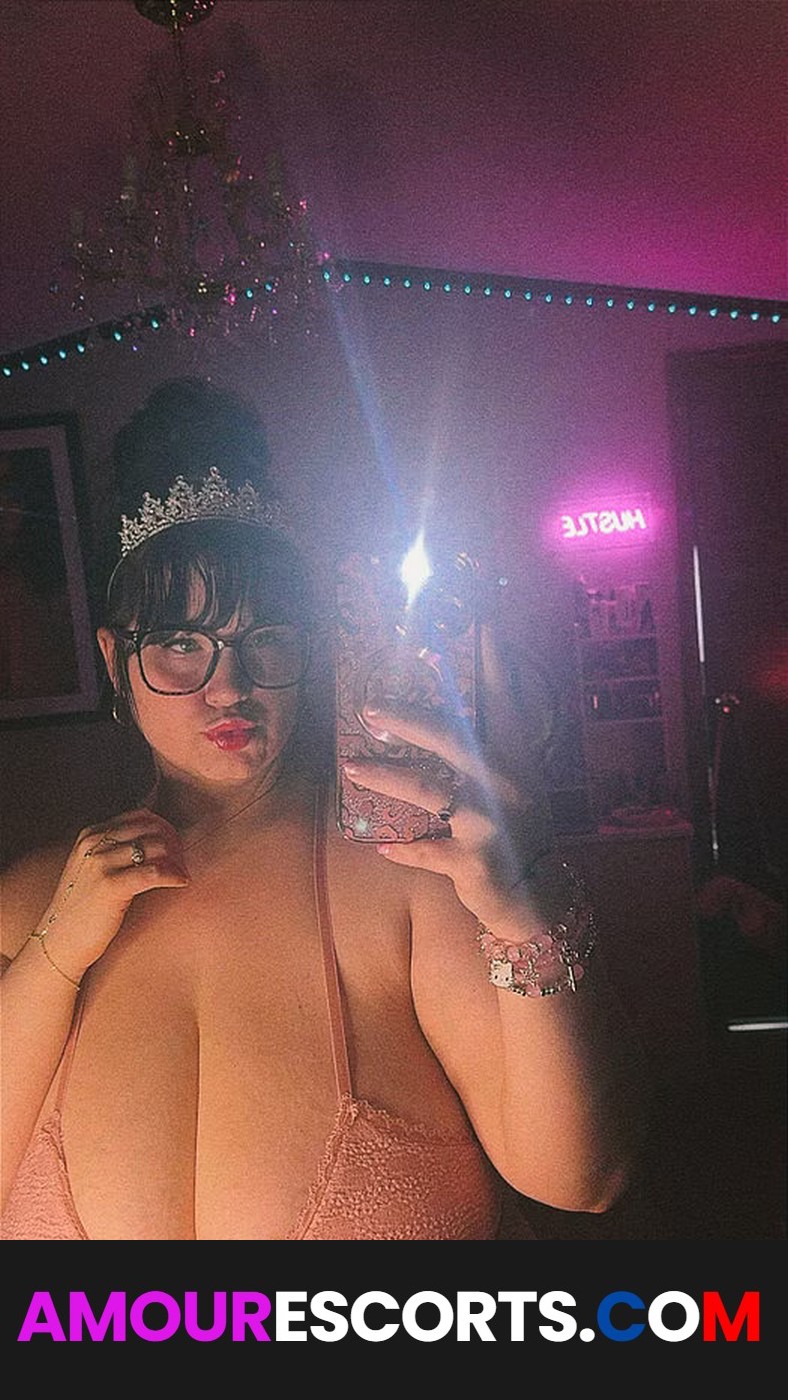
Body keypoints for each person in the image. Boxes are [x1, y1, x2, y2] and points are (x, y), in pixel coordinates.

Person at [0, 378, 649, 1241]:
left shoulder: (410, 875)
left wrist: (529, 906)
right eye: (182, 642)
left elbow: (581, 1181)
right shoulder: (32, 903)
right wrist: (50, 960)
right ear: (116, 658)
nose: (228, 686)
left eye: (265, 638)